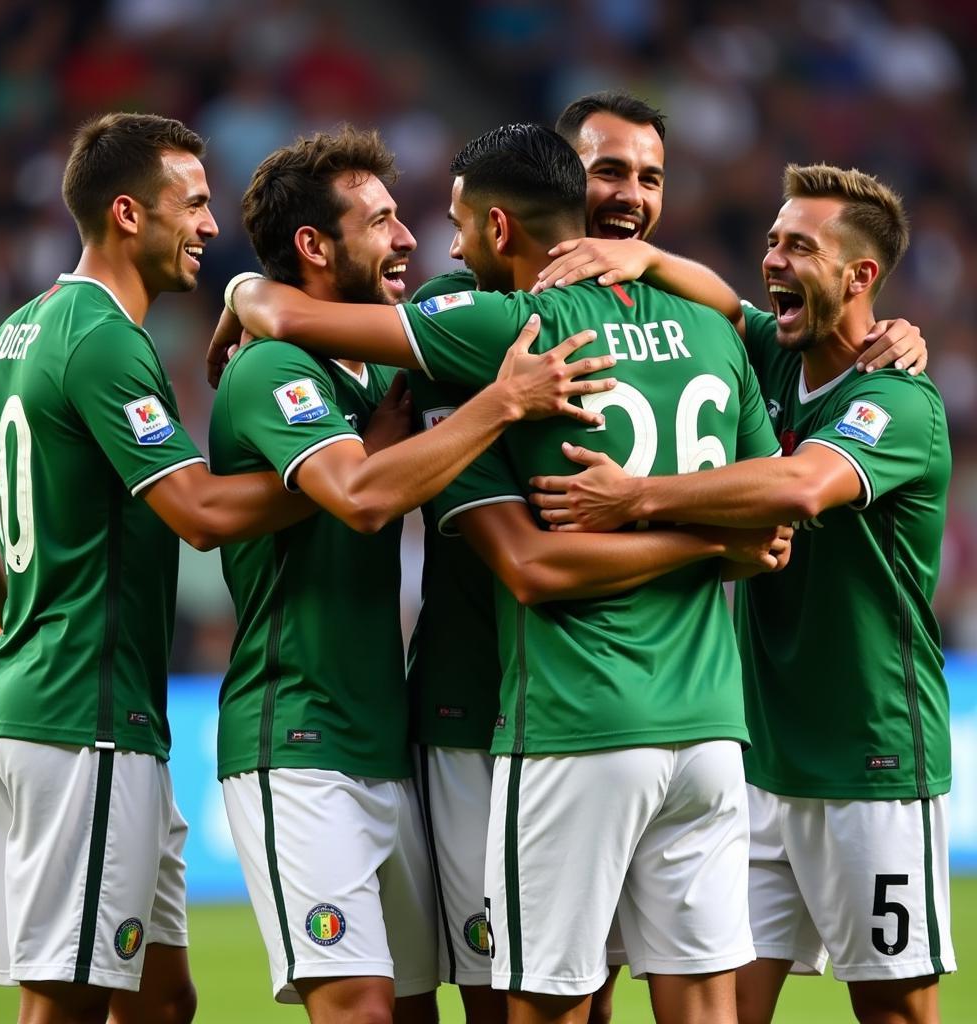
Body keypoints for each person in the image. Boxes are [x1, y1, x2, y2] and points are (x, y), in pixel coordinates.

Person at [214, 122, 793, 1024]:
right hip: (682, 723)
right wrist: (702, 533)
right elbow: (773, 501)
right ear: (574, 190)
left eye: (447, 220)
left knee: (537, 997)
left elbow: (524, 560)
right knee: (684, 999)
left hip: (563, 718)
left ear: (498, 225)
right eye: (611, 173)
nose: (427, 240)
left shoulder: (493, 328)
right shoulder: (709, 329)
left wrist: (246, 288)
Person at [207, 125, 622, 1024]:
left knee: (420, 1005)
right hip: (298, 737)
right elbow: (358, 496)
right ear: (314, 247)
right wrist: (501, 401)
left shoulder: (371, 379)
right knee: (356, 1006)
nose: (408, 239)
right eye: (384, 221)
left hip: (387, 740)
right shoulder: (273, 368)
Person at [529, 163, 956, 1024]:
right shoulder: (770, 354)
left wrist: (637, 497)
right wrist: (643, 261)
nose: (773, 259)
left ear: (859, 276)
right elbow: (724, 304)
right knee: (725, 1009)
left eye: (799, 246)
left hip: (871, 759)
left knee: (896, 1012)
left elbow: (800, 486)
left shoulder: (897, 403)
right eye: (771, 239)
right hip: (761, 762)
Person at [0, 111, 331, 1024]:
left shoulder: (20, 332)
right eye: (192, 203)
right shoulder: (105, 342)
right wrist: (339, 475)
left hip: (69, 707)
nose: (210, 224)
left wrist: (34, 626)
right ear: (129, 213)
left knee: (162, 1002)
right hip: (80, 724)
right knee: (68, 1003)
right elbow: (200, 514)